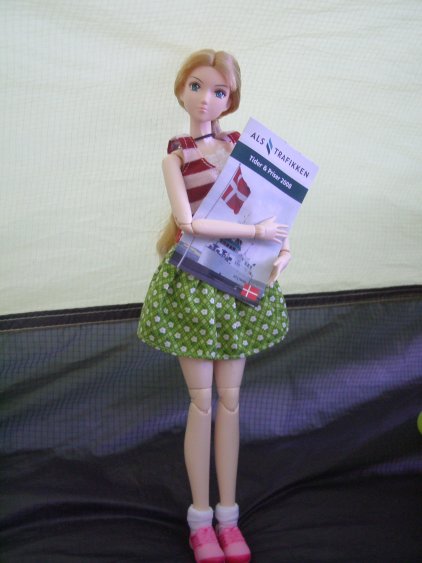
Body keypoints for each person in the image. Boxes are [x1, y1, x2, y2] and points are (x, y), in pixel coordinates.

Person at [138, 49, 291, 563]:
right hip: (196, 283)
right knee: (201, 402)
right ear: (181, 91)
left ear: (231, 99)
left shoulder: (243, 148)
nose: (206, 99)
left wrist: (281, 246)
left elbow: (272, 206)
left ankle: (229, 514)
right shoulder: (176, 158)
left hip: (240, 280)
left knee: (230, 401)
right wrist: (255, 233)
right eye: (197, 87)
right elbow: (188, 224)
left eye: (219, 91)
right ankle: (200, 520)